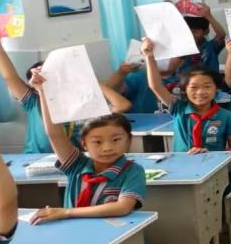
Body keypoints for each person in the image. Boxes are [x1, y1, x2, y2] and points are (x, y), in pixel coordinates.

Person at [0, 25, 128, 153]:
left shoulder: (82, 102)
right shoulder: (34, 101)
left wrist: (86, 78)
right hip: (35, 158)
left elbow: (122, 105)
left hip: (72, 161)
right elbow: (9, 77)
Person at [28, 75, 144, 224]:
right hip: (73, 231)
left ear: (129, 140)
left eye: (116, 140)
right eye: (97, 142)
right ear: (84, 144)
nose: (107, 148)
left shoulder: (132, 171)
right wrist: (43, 91)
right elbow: (54, 134)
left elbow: (122, 207)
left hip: (112, 232)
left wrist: (66, 212)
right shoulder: (77, 165)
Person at [142, 39, 231, 153]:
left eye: (207, 86)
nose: (200, 92)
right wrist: (149, 56)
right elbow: (155, 85)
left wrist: (213, 155)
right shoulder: (178, 108)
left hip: (214, 162)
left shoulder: (227, 116)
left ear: (216, 88)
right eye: (194, 87)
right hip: (181, 162)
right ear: (185, 90)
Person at [177, 4, 228, 76]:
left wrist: (208, 16)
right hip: (186, 81)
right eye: (188, 32)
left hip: (209, 80)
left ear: (206, 31)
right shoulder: (181, 47)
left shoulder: (210, 46)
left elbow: (221, 35)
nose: (191, 35)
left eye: (195, 32)